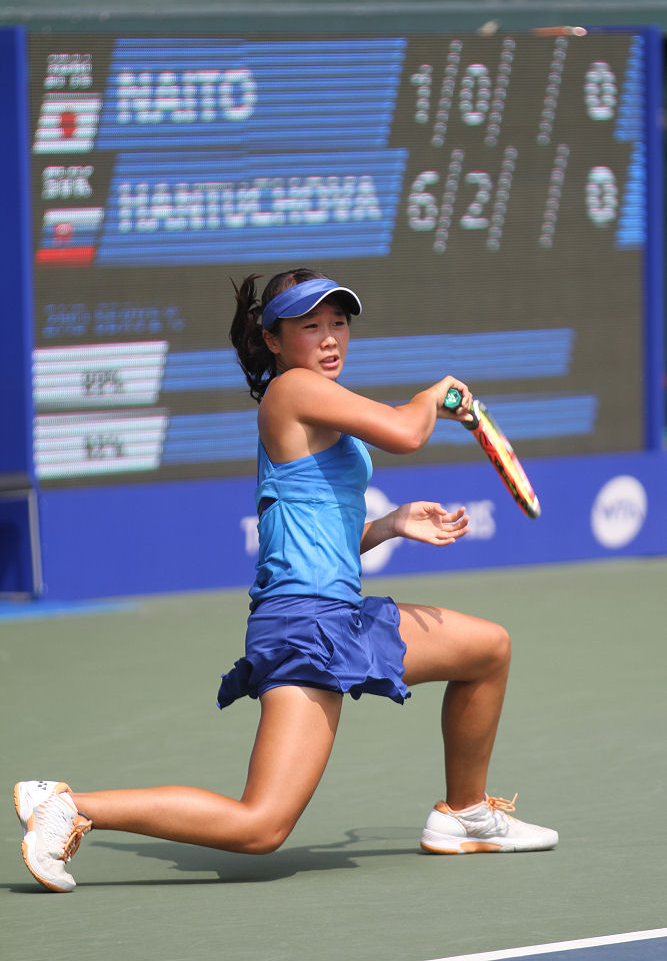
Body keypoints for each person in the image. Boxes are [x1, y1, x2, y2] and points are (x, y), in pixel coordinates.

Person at [14, 267, 557, 893]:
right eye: (310, 325)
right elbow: (408, 433)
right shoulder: (293, 390)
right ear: (273, 340)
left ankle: (465, 814)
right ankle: (68, 806)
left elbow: (317, 538)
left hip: (338, 612)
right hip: (304, 624)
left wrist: (388, 524)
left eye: (338, 323)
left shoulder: (313, 402)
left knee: (487, 649)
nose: (329, 338)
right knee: (261, 826)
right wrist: (436, 396)